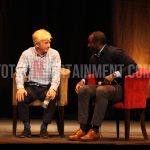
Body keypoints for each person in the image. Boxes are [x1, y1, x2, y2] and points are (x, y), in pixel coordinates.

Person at [68, 31, 137, 141]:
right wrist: (82, 81)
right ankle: (83, 128)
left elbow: (133, 66)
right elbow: (90, 72)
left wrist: (114, 75)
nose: (88, 45)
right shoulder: (93, 58)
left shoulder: (115, 52)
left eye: (90, 43)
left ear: (98, 43)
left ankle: (94, 130)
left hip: (118, 88)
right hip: (102, 87)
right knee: (84, 90)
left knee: (101, 90)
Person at [15, 29, 61, 138]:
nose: (49, 45)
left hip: (46, 88)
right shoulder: (27, 53)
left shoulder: (54, 54)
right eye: (46, 43)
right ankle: (26, 128)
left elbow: (56, 72)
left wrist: (53, 88)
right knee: (21, 97)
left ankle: (44, 128)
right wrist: (20, 88)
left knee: (52, 98)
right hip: (32, 87)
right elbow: (20, 71)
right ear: (37, 44)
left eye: (49, 42)